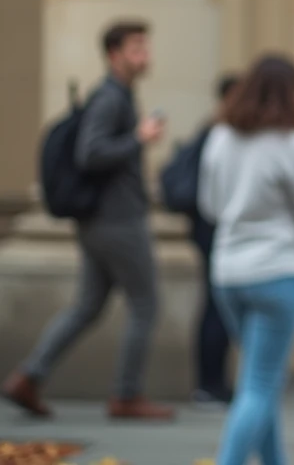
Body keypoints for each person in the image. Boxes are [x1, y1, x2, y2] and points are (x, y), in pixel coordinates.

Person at [3, 21, 174, 420]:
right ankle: (127, 395)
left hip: (103, 220)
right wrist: (139, 138)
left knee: (87, 306)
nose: (144, 56)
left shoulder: (119, 96)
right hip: (117, 220)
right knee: (146, 303)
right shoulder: (110, 99)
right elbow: (90, 152)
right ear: (114, 55)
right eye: (136, 49)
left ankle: (29, 377)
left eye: (145, 48)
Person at [199, 55, 294, 465]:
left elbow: (210, 206)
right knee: (261, 384)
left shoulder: (220, 138)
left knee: (257, 381)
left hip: (228, 273)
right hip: (277, 274)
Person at [187, 74, 240, 408]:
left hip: (217, 231)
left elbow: (210, 199)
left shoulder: (217, 134)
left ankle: (214, 383)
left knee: (216, 308)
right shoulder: (222, 135)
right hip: (219, 233)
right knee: (216, 311)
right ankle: (210, 384)